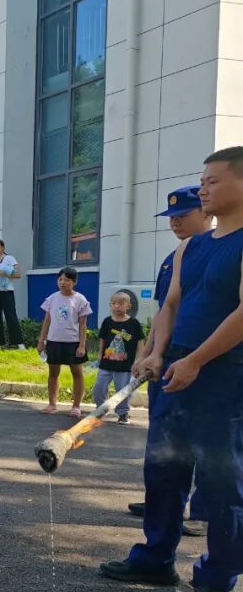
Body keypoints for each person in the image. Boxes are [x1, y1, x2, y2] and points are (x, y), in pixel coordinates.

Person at [100, 147, 243, 592]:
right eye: (202, 181)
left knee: (221, 479)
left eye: (213, 181)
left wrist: (197, 359)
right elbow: (171, 305)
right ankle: (155, 558)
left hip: (224, 374)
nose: (204, 189)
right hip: (175, 367)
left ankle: (217, 576)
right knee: (163, 468)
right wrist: (157, 352)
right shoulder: (191, 247)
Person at [127, 185, 213, 529]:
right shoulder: (173, 259)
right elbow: (165, 309)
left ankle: (202, 512)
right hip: (166, 359)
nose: (175, 222)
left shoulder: (219, 252)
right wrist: (148, 352)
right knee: (164, 440)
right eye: (171, 217)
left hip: (201, 359)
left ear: (205, 212)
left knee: (204, 440)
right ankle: (161, 502)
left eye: (182, 215)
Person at [37, 267, 91, 418]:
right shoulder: (52, 298)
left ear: (74, 282)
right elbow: (47, 321)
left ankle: (76, 406)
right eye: (60, 279)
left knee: (77, 373)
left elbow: (83, 325)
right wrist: (41, 340)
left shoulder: (80, 300)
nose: (63, 282)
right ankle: (52, 404)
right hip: (54, 341)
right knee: (53, 373)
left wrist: (82, 345)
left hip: (73, 342)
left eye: (67, 280)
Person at [93, 291, 145, 425]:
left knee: (122, 391)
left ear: (129, 306)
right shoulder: (107, 321)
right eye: (114, 303)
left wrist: (140, 359)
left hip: (125, 365)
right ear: (110, 305)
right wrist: (100, 354)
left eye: (121, 303)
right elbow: (102, 339)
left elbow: (140, 341)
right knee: (98, 387)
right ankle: (100, 409)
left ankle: (123, 413)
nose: (117, 306)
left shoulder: (133, 323)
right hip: (106, 363)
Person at [0, 239, 23, 347]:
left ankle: (18, 343)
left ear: (2, 247)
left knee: (11, 317)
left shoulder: (9, 258)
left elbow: (18, 274)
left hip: (6, 292)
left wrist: (4, 273)